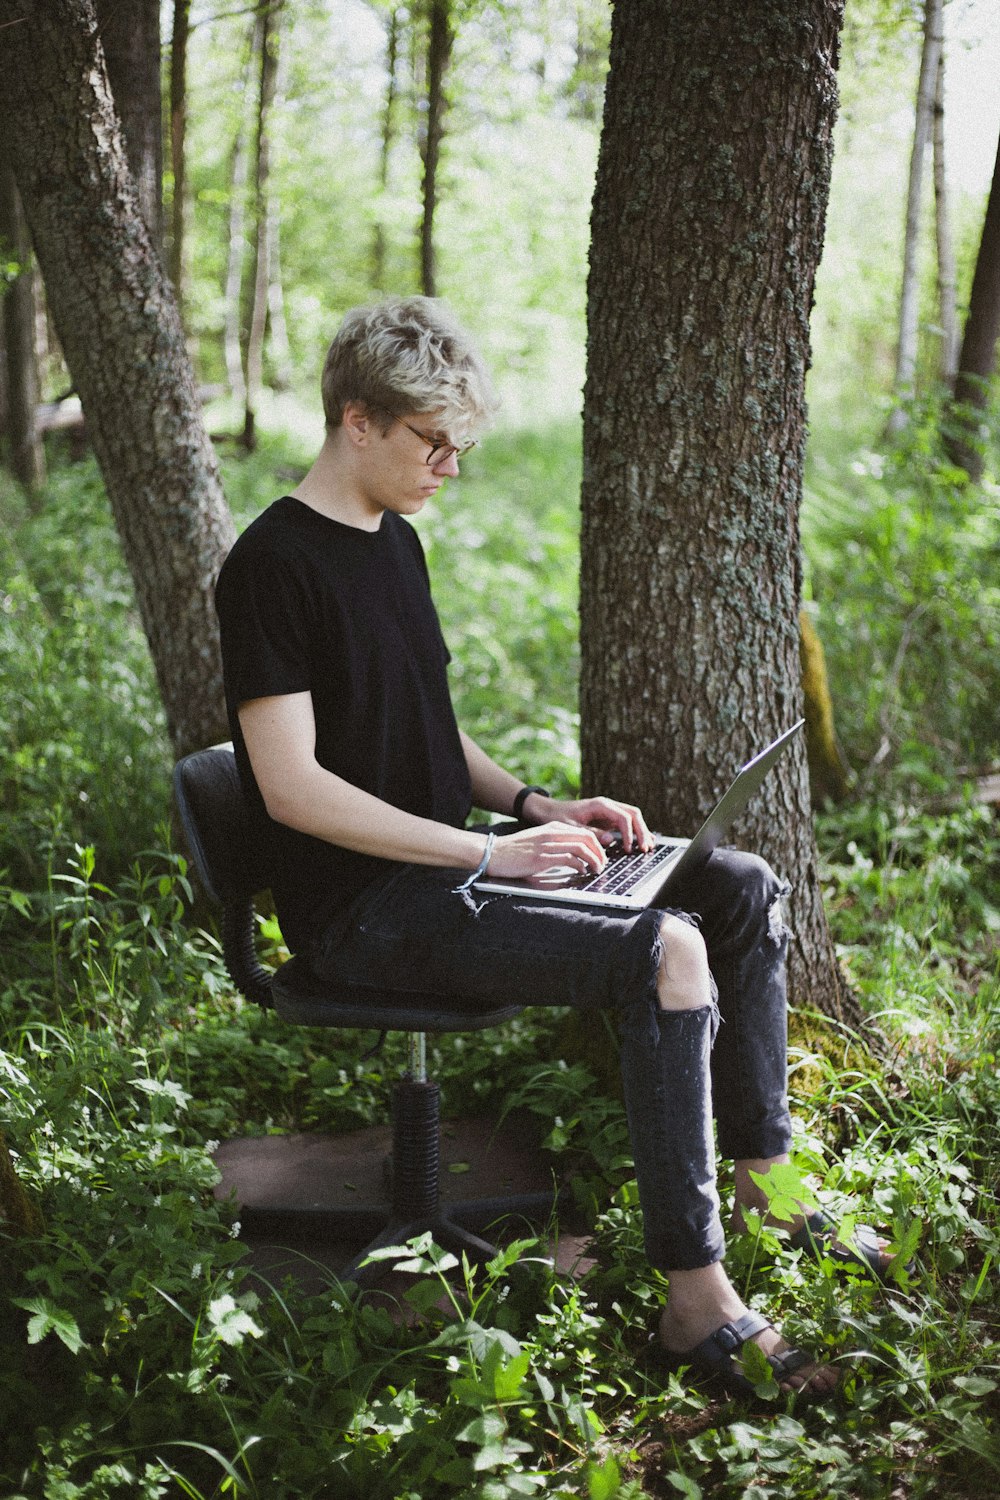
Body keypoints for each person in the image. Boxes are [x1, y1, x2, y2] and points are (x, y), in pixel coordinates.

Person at [215, 296, 890, 1402]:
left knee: (737, 885)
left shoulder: (393, 542)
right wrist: (485, 859)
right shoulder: (271, 567)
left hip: (443, 862)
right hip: (363, 911)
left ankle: (770, 1178)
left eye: (461, 447)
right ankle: (695, 1300)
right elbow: (292, 790)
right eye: (435, 442)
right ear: (357, 421)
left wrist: (537, 806)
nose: (449, 466)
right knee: (667, 953)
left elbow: (426, 727)